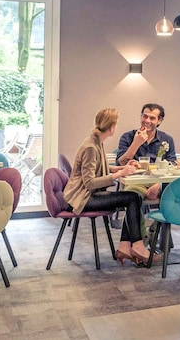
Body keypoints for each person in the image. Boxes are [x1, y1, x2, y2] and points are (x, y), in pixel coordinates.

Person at [64, 108, 152, 265]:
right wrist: (120, 174)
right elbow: (89, 182)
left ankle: (127, 247)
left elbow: (101, 168)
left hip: (86, 195)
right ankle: (137, 246)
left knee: (133, 197)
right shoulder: (91, 147)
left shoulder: (96, 141)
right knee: (133, 198)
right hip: (83, 199)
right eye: (116, 124)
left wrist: (122, 169)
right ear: (111, 127)